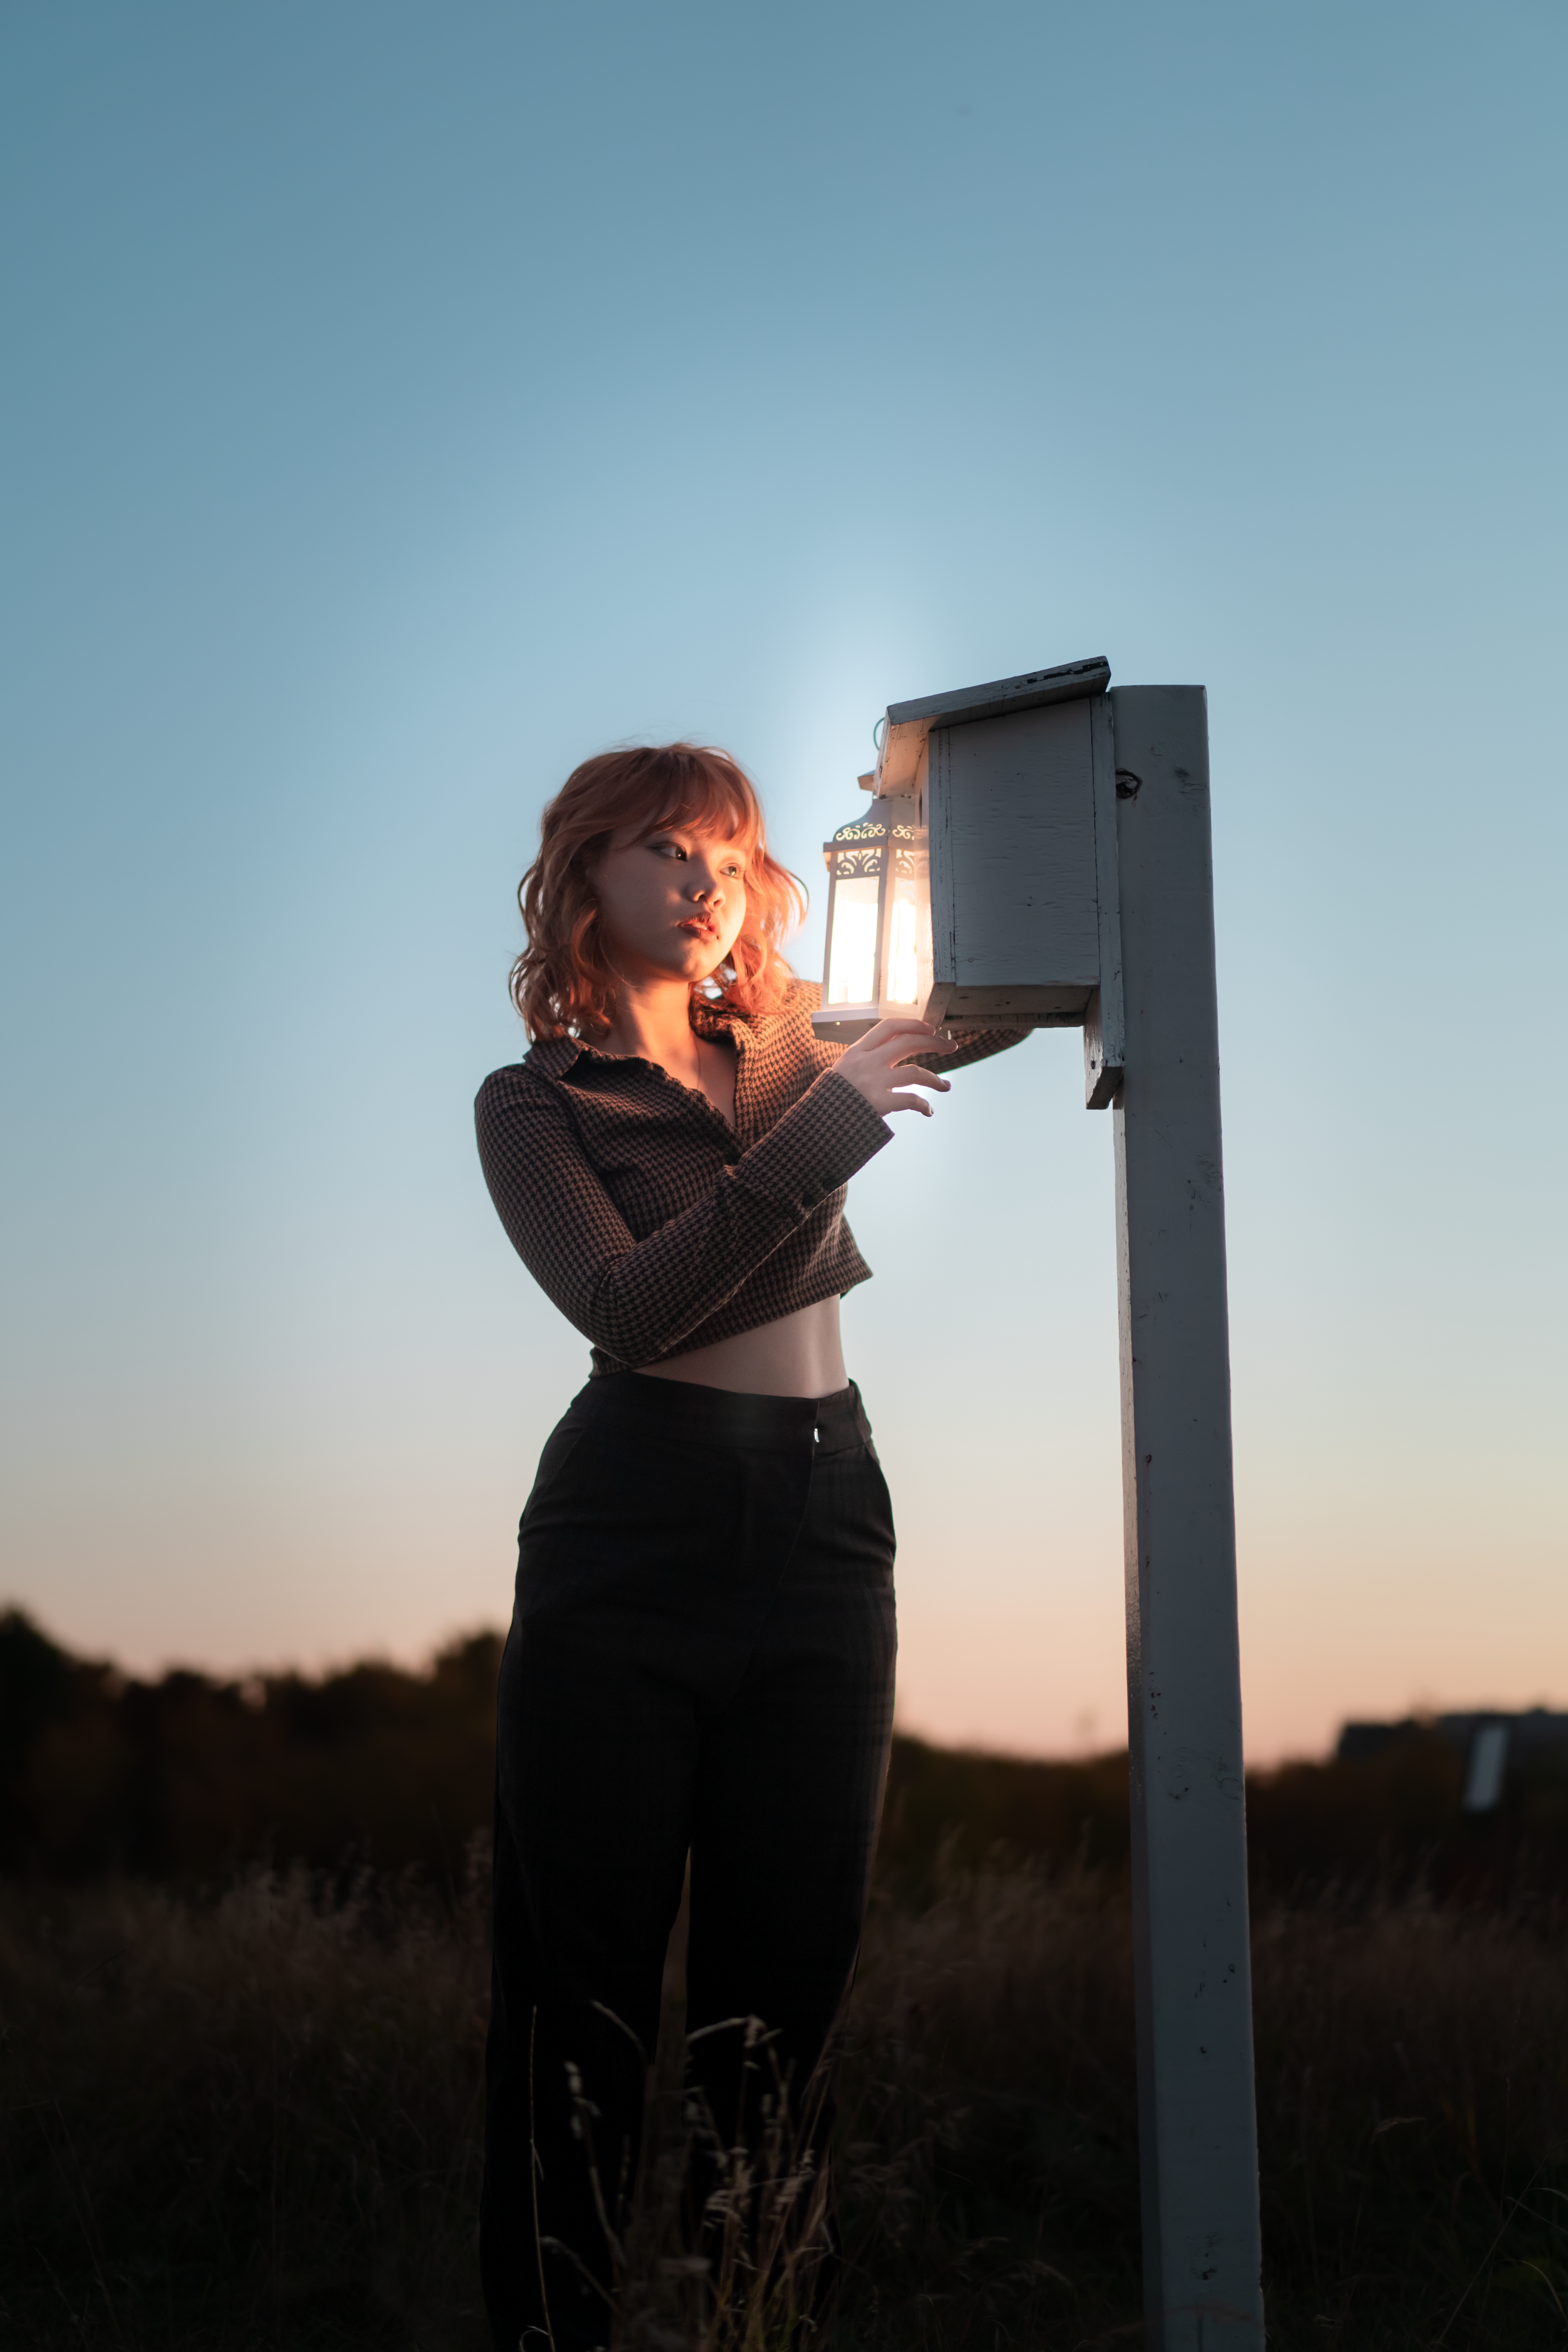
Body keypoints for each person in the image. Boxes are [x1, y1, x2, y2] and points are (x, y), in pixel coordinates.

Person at [474, 741, 1022, 2351]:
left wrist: (929, 815)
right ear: (583, 880)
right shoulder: (535, 1104)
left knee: (782, 2002)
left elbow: (977, 999)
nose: (701, 880)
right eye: (656, 849)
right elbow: (629, 1307)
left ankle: (760, 2324)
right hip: (627, 1522)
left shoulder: (795, 1035)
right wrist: (826, 1134)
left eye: (723, 848)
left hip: (825, 1510)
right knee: (574, 2003)